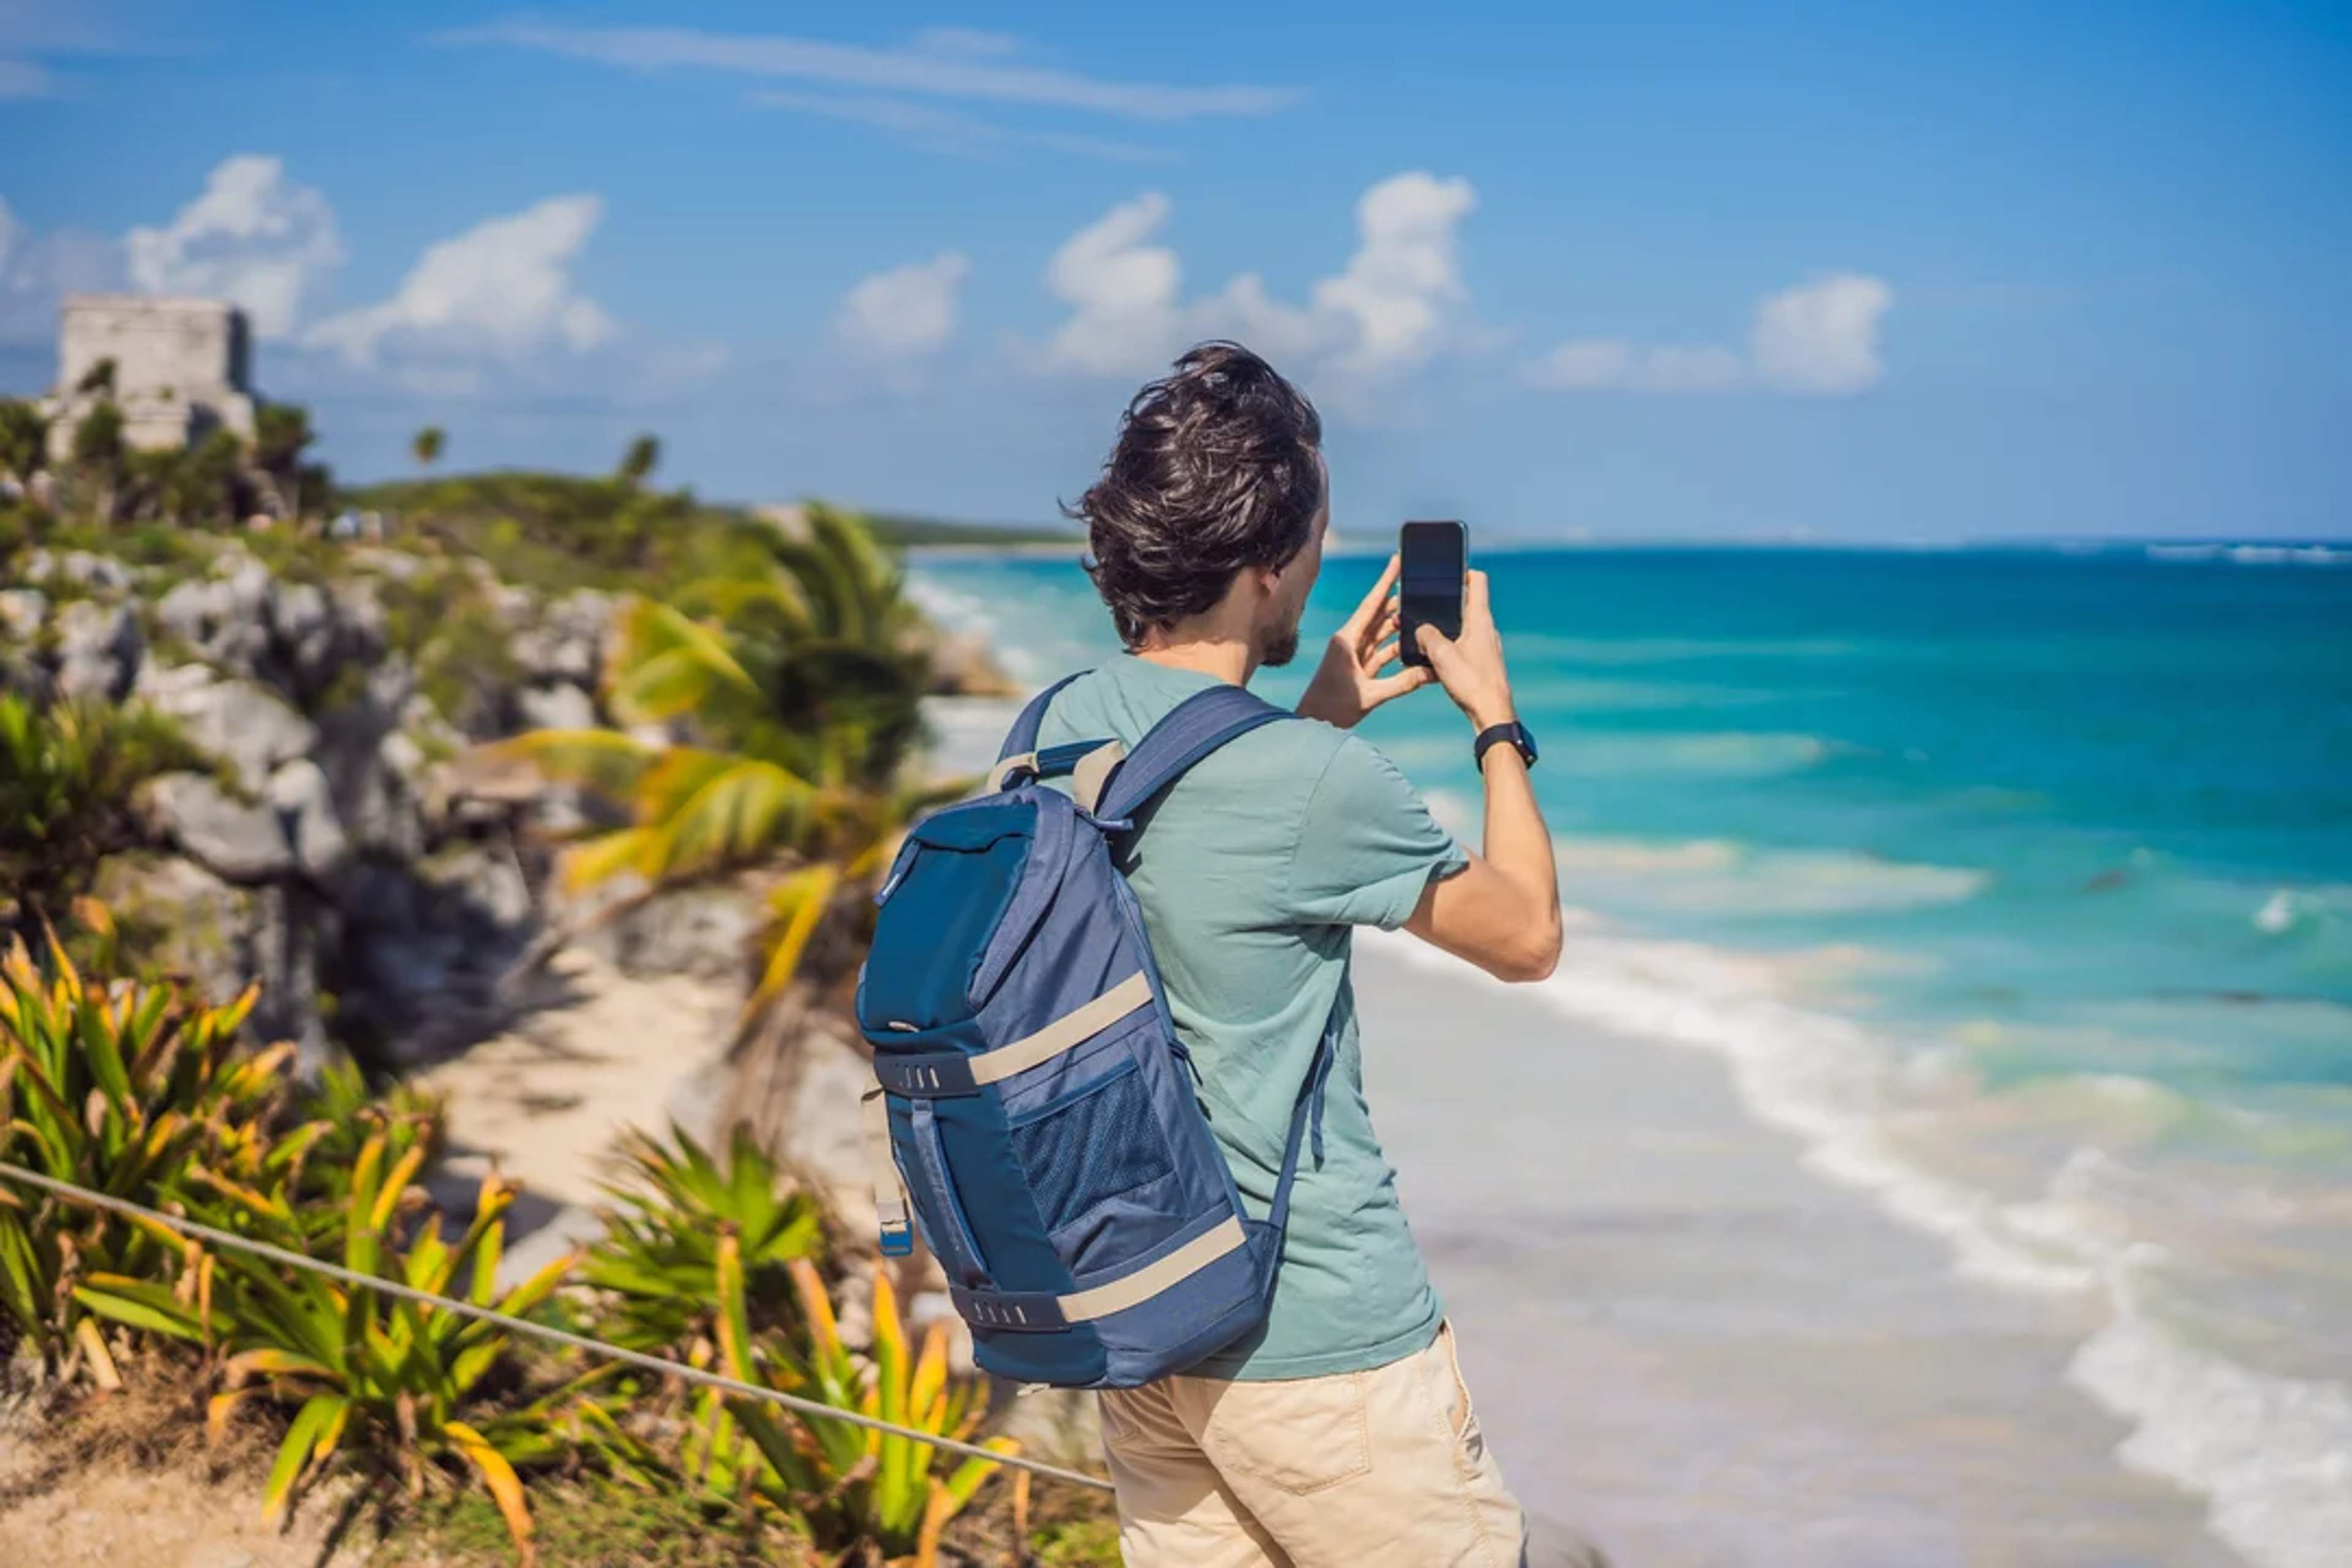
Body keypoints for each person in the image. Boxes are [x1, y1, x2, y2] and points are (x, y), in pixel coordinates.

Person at [1031, 341, 1574, 1567]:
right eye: (1318, 536)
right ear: (1272, 564)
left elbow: (1191, 855)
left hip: (1141, 1320)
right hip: (1315, 1340)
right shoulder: (1307, 783)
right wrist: (1494, 717)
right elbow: (1527, 936)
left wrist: (1307, 717)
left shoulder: (1051, 732)